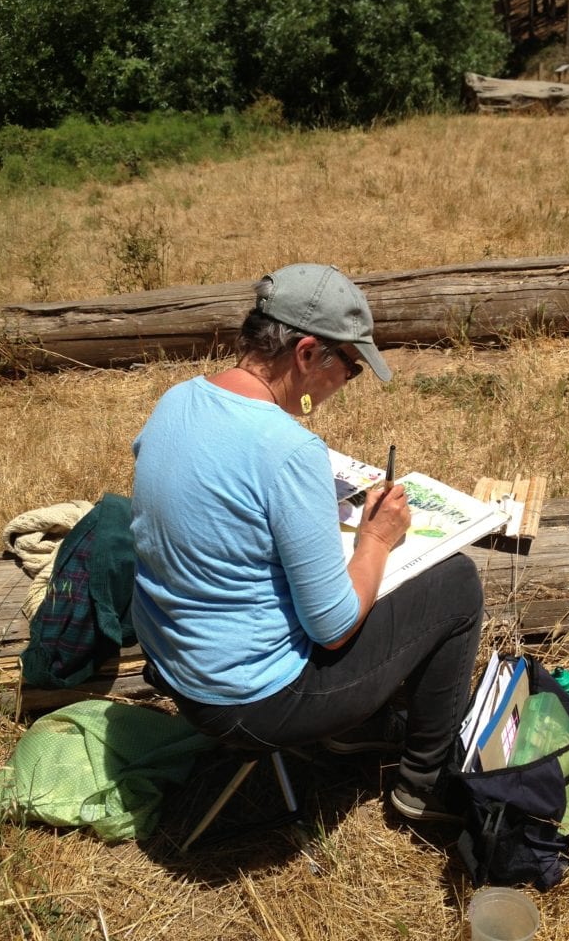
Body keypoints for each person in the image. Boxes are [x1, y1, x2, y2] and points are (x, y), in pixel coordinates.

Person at [130, 263, 484, 821]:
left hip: (177, 667)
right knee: (457, 584)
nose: (347, 382)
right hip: (252, 701)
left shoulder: (177, 399)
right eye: (350, 367)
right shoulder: (288, 450)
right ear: (307, 354)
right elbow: (333, 627)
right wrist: (377, 539)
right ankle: (424, 782)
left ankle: (359, 730)